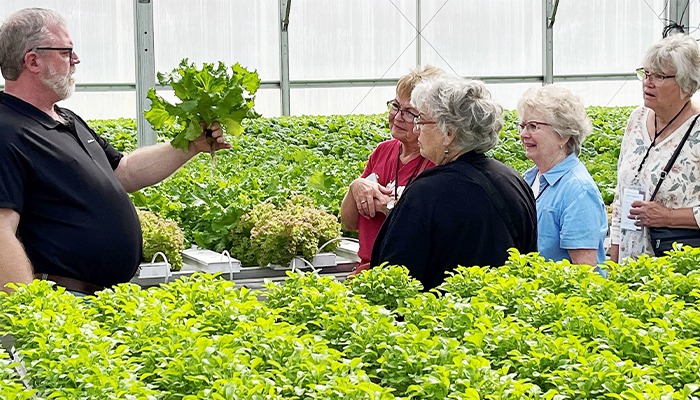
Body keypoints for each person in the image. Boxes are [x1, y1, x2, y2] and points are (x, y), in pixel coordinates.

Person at [0, 8, 229, 294]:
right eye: (66, 52)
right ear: (33, 60)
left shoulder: (66, 118)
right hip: (64, 301)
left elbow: (124, 171)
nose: (76, 59)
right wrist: (32, 310)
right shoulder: (6, 130)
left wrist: (189, 145)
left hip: (103, 297)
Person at [370, 74, 538, 290]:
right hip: (503, 317)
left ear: (448, 133)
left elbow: (392, 276)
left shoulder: (425, 193)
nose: (416, 128)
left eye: (421, 120)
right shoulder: (514, 181)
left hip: (440, 319)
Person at [340, 65, 443, 271]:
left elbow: (432, 233)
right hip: (366, 271)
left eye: (409, 113)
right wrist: (356, 187)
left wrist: (387, 207)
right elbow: (349, 223)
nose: (397, 117)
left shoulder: (438, 162)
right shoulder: (383, 151)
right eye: (395, 106)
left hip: (405, 275)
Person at [610, 33, 700, 262]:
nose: (647, 82)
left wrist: (668, 217)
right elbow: (621, 196)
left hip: (676, 270)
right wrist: (614, 256)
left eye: (659, 76)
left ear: (687, 84)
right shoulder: (637, 119)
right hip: (630, 264)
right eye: (646, 73)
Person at [518, 85, 608, 266]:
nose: (524, 134)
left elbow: (585, 272)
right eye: (522, 126)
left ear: (563, 135)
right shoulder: (530, 178)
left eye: (533, 126)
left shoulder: (578, 191)